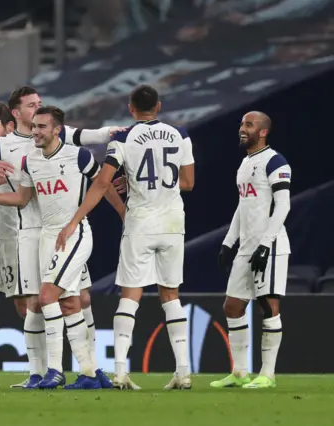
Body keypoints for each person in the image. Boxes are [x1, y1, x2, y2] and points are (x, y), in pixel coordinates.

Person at [0, 87, 122, 389]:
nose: (37, 111)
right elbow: (8, 192)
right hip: (26, 234)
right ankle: (46, 372)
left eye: (40, 107)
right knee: (35, 303)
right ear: (17, 113)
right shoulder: (10, 148)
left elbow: (92, 147)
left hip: (64, 231)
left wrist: (115, 133)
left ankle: (88, 369)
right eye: (31, 107)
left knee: (77, 298)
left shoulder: (62, 142)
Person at [56, 84, 195, 390]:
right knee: (171, 296)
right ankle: (183, 372)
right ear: (158, 106)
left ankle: (120, 372)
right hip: (173, 223)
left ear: (131, 109)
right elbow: (187, 182)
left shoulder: (123, 138)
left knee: (130, 297)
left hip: (140, 222)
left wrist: (75, 219)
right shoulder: (180, 134)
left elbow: (102, 183)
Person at [211, 111, 290, 389]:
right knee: (232, 306)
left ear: (264, 132)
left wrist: (266, 244)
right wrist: (228, 242)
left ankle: (267, 374)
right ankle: (240, 371)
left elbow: (283, 205)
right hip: (246, 246)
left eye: (249, 125)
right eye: (242, 124)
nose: (242, 129)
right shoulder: (245, 164)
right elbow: (242, 206)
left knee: (268, 306)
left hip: (271, 244)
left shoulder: (275, 161)